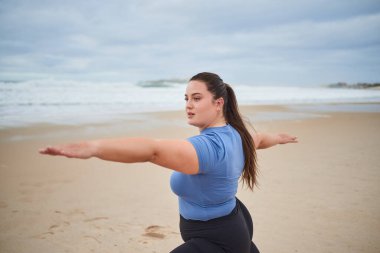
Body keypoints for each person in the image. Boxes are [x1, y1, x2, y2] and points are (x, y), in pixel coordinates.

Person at [39, 72, 297, 253]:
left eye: (197, 98)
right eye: (186, 98)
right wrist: (280, 138)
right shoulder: (239, 134)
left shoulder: (208, 148)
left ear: (218, 103)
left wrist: (92, 148)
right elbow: (261, 139)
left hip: (217, 240)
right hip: (235, 223)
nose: (188, 105)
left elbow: (152, 151)